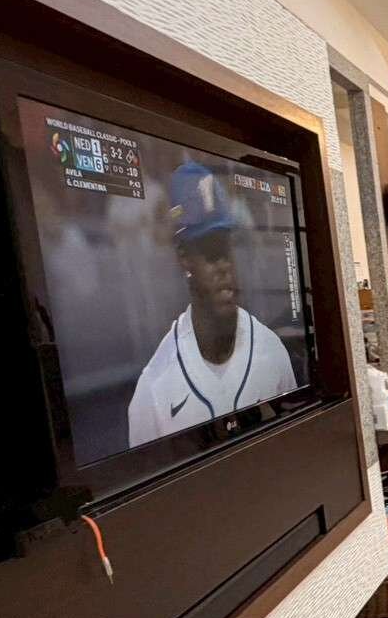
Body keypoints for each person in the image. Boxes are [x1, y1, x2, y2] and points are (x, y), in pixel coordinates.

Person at [127, 162, 297, 447]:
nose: (224, 266)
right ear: (184, 257)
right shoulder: (153, 390)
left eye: (226, 248)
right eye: (209, 251)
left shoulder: (272, 349)